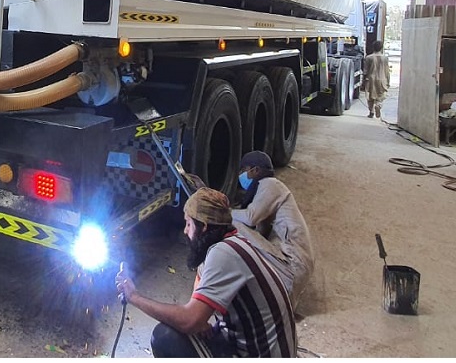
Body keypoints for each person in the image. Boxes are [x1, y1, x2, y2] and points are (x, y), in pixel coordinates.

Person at [114, 187, 296, 358]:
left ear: (204, 227)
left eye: (188, 224)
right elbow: (197, 304)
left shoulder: (224, 253)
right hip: (251, 345)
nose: (185, 231)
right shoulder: (229, 242)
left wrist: (134, 297)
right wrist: (198, 321)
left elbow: (189, 320)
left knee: (164, 337)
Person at [231, 150, 314, 305]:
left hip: (293, 265)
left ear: (255, 170)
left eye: (243, 170)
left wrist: (225, 212)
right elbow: (261, 232)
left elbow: (250, 218)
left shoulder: (270, 184)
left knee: (233, 224)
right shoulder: (267, 191)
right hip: (294, 266)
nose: (241, 175)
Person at [362, 40, 390, 119]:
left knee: (370, 97)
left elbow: (365, 71)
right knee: (381, 95)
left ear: (373, 47)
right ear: (381, 48)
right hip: (382, 79)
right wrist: (388, 81)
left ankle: (371, 112)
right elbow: (387, 71)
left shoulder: (368, 58)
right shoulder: (385, 58)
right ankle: (378, 105)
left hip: (371, 79)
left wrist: (363, 82)